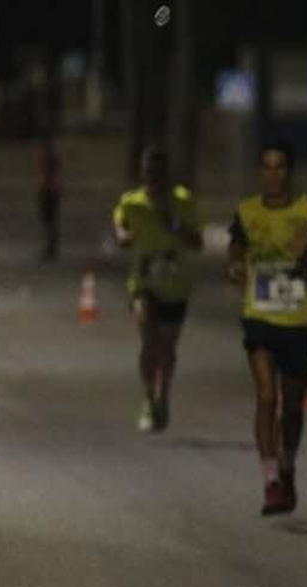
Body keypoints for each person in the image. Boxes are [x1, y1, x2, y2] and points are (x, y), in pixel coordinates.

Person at [227, 139, 307, 516]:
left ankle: (288, 466)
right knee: (266, 397)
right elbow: (236, 250)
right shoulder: (246, 212)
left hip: (300, 321)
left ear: (290, 171)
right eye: (267, 167)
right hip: (259, 317)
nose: (273, 175)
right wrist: (236, 267)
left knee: (291, 407)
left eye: (280, 168)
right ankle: (271, 481)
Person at [113, 146, 204, 432]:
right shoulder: (131, 202)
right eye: (148, 170)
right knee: (149, 338)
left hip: (176, 285)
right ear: (143, 173)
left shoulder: (183, 201)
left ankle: (164, 394)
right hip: (144, 282)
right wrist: (124, 236)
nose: (153, 176)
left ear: (167, 174)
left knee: (168, 349)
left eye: (158, 171)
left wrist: (173, 224)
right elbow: (120, 227)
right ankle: (149, 397)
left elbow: (197, 243)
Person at [34, 135, 62, 262]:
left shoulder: (49, 160)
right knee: (48, 221)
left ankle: (51, 247)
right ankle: (50, 246)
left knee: (49, 221)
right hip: (47, 191)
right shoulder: (49, 159)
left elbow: (50, 177)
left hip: (48, 192)